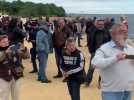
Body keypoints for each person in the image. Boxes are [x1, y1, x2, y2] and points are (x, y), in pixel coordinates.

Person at [91, 23, 134, 100]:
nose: (125, 34)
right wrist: (115, 58)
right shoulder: (104, 48)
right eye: (121, 32)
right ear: (113, 34)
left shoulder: (130, 49)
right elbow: (94, 63)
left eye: (126, 32)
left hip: (128, 90)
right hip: (110, 91)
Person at [85, 18, 111, 87]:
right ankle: (87, 82)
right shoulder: (93, 31)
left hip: (104, 53)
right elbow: (89, 40)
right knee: (91, 67)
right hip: (95, 52)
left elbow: (110, 42)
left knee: (102, 68)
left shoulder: (107, 32)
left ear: (104, 25)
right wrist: (91, 50)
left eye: (102, 24)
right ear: (96, 24)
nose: (101, 25)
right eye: (99, 24)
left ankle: (101, 82)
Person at [0, 31, 24, 100]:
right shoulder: (4, 51)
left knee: (16, 96)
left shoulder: (12, 47)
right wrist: (5, 52)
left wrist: (24, 49)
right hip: (4, 77)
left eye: (7, 41)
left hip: (17, 75)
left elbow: (26, 56)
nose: (6, 43)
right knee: (4, 96)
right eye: (4, 42)